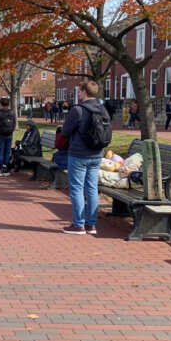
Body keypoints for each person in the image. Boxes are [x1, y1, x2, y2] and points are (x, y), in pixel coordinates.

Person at [62, 81, 109, 235]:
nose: (79, 94)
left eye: (80, 91)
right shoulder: (102, 109)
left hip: (78, 154)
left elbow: (65, 131)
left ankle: (78, 224)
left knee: (77, 189)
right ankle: (91, 224)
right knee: (92, 188)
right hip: (96, 154)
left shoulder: (78, 110)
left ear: (84, 92)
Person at [0, 97, 16, 176]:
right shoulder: (12, 112)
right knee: (7, 152)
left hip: (0, 134)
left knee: (0, 152)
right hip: (9, 135)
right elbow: (14, 124)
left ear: (1, 104)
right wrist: (11, 131)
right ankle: (6, 169)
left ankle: (0, 169)